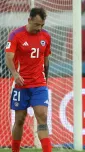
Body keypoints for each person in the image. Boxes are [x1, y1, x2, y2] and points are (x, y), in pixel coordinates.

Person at [5, 8, 52, 152]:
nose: (39, 28)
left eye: (42, 25)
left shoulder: (46, 36)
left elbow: (46, 60)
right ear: (29, 20)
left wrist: (46, 79)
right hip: (21, 84)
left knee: (42, 116)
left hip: (39, 84)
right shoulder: (15, 35)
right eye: (37, 25)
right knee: (19, 119)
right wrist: (15, 74)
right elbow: (8, 58)